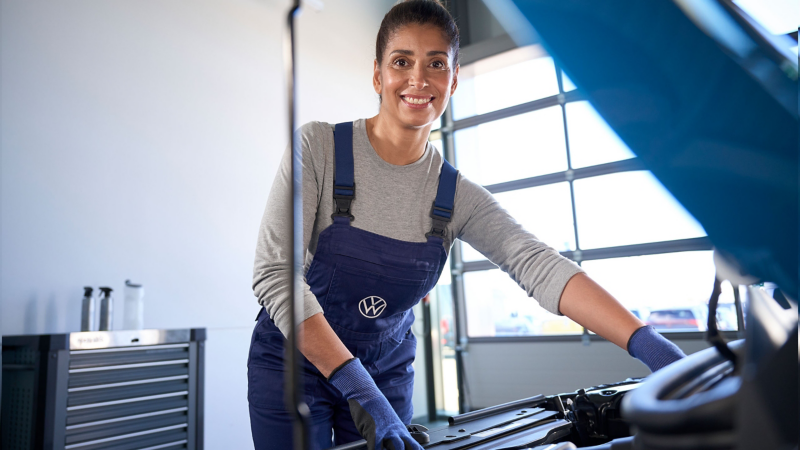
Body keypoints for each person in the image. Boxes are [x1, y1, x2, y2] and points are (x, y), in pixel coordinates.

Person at [249, 1, 686, 449]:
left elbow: (539, 265)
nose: (419, 79)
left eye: (436, 63)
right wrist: (361, 393)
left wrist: (653, 348)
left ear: (453, 79)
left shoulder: (456, 196)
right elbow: (275, 276)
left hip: (385, 372)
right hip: (293, 365)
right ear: (378, 75)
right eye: (402, 62)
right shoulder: (319, 147)